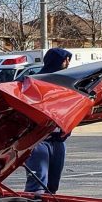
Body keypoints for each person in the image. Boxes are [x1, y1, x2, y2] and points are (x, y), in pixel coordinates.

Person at [24, 48, 72, 194]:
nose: (68, 63)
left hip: (58, 141)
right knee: (37, 183)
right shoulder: (35, 82)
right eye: (65, 59)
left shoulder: (65, 83)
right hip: (39, 142)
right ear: (57, 61)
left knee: (52, 185)